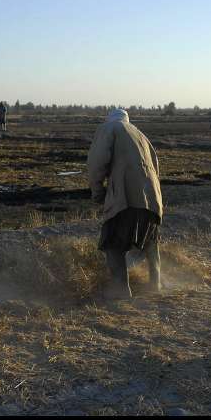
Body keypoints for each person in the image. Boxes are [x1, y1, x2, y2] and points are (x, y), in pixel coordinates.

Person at [87, 108, 164, 299]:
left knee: (113, 244)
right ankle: (156, 284)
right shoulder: (141, 135)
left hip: (126, 197)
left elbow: (96, 163)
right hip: (152, 199)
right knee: (150, 242)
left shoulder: (109, 128)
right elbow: (156, 167)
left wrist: (98, 193)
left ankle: (121, 290)